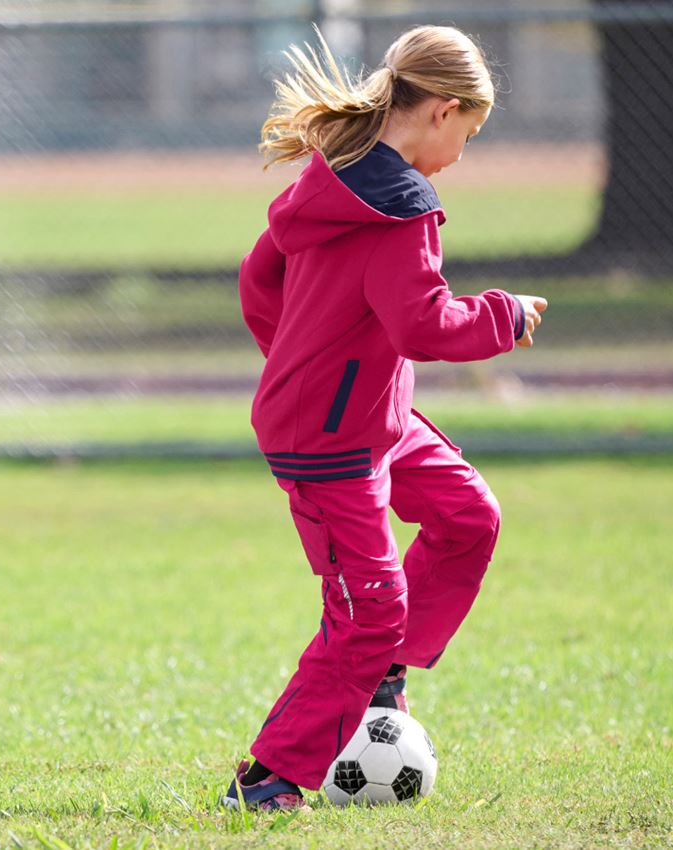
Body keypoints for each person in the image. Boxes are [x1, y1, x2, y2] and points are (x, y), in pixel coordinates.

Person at [224, 24, 548, 811]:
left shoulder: (334, 179)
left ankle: (381, 678)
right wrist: (503, 315)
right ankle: (266, 781)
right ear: (441, 111)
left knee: (468, 515)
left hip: (369, 414)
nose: (461, 156)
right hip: (329, 440)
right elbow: (423, 326)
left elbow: (257, 275)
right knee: (369, 610)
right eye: (467, 135)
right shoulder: (397, 205)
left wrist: (302, 363)